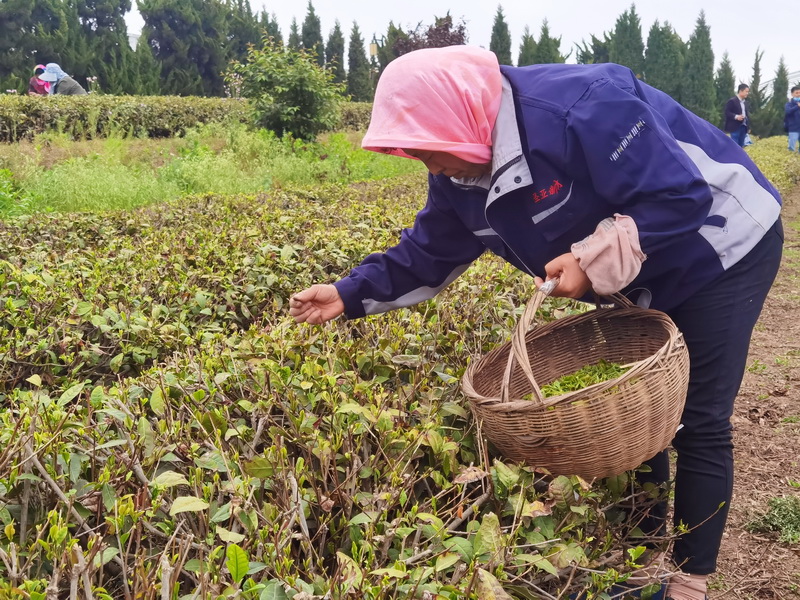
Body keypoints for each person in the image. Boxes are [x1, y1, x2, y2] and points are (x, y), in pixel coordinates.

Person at [289, 46, 783, 600]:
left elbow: (681, 197)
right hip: (639, 275)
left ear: (463, 115)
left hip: (720, 246)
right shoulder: (460, 172)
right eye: (417, 154)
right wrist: (347, 293)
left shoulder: (583, 108)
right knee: (639, 416)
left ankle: (692, 577)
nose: (431, 166)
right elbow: (426, 255)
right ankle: (643, 561)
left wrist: (591, 259)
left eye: (431, 151)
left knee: (696, 419)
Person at [785, 86, 800, 152]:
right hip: (793, 128)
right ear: (792, 94)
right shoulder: (789, 104)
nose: (799, 94)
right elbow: (788, 111)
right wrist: (797, 106)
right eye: (797, 93)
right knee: (791, 148)